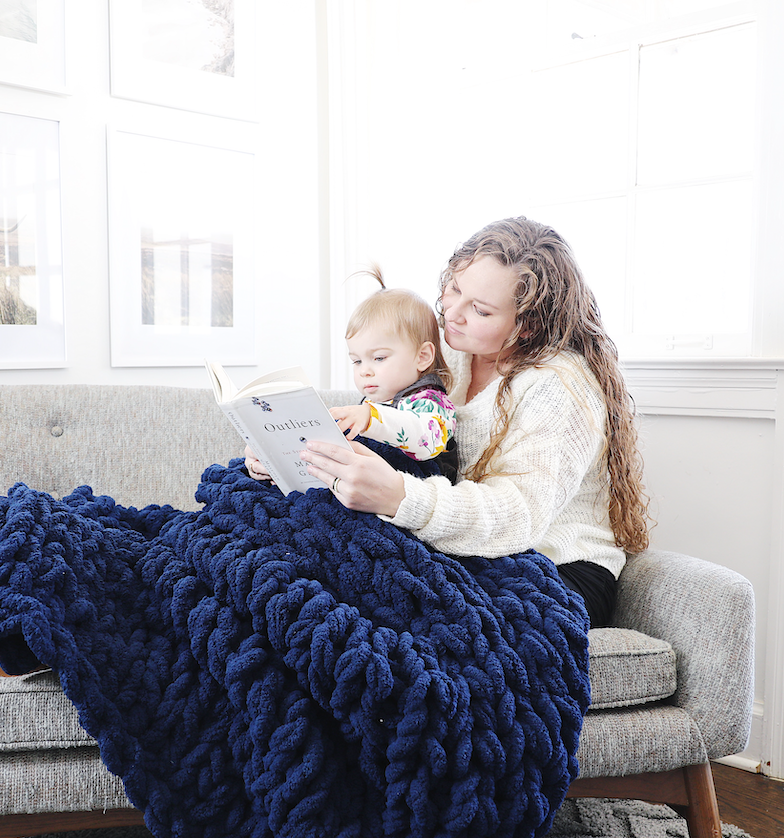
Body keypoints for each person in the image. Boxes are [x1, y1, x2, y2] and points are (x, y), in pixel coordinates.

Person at [246, 216, 649, 627]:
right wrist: (284, 453)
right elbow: (385, 423)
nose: (452, 314)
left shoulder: (559, 385)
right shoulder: (449, 351)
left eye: (480, 310)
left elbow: (519, 516)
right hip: (465, 547)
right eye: (454, 288)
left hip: (555, 567)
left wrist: (399, 496)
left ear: (527, 326)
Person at [329, 274, 458, 478]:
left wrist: (371, 418)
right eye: (357, 361)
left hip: (412, 486)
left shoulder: (430, 401)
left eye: (379, 358)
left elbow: (424, 439)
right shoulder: (372, 402)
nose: (364, 371)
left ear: (422, 357)